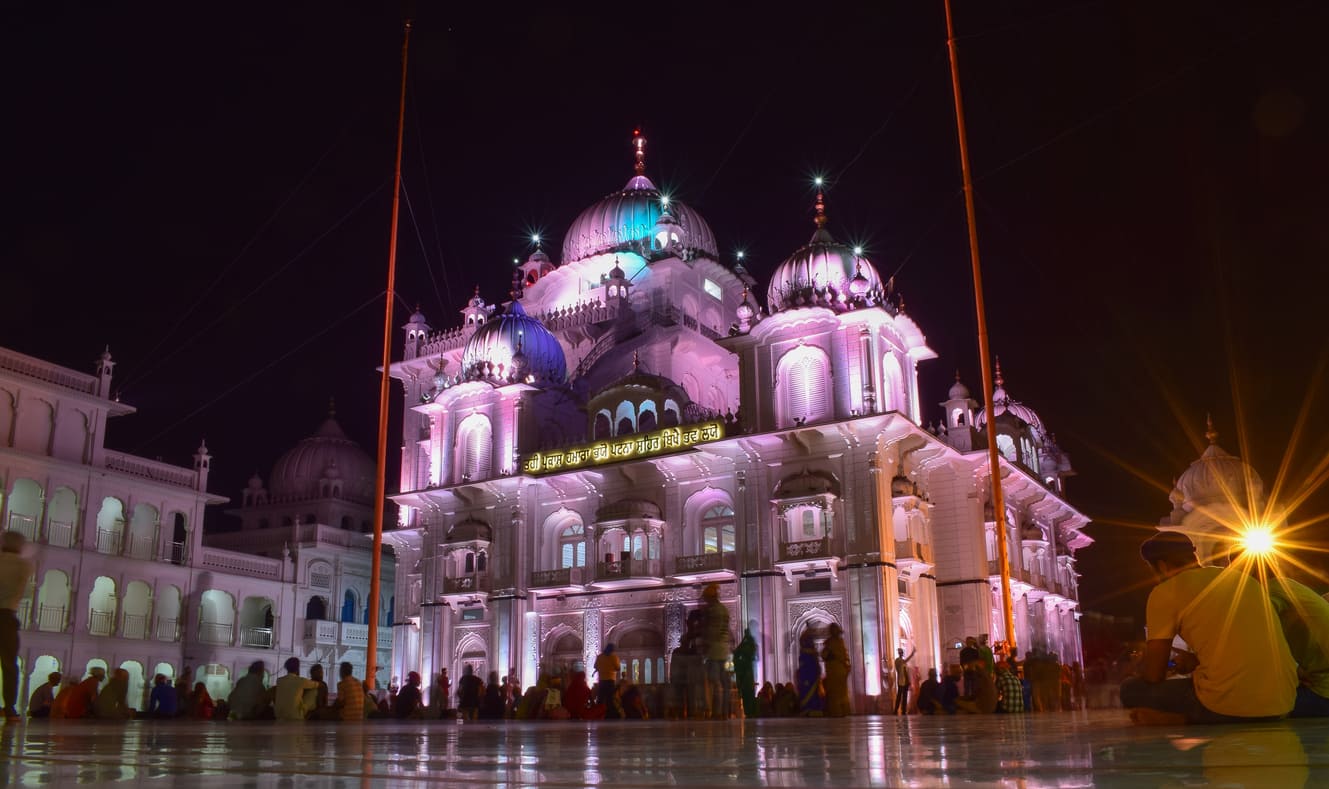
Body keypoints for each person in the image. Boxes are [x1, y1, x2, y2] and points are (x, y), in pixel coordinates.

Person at [1119, 531, 1297, 724]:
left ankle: (1184, 719)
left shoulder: (1165, 591)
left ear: (1161, 566)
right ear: (1193, 556)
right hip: (1283, 702)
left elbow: (1154, 675)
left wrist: (1141, 668)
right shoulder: (1242, 580)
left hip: (1231, 706)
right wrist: (1196, 660)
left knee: (1131, 690)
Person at [1262, 574, 1329, 717]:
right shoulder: (1288, 586)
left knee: (1257, 707)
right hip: (1320, 684)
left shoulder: (1268, 592)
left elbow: (1259, 638)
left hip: (1323, 693)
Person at [0, 531, 34, 722]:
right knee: (9, 664)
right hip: (6, 616)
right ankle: (9, 707)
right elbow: (27, 593)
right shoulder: (24, 565)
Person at [701, 583, 732, 720]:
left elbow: (712, 632)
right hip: (725, 651)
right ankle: (725, 712)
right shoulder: (724, 609)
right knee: (726, 683)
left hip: (714, 652)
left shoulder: (713, 611)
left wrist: (704, 647)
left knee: (715, 682)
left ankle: (717, 712)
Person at [822, 623, 851, 717]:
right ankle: (839, 712)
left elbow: (825, 655)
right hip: (836, 670)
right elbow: (825, 655)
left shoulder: (834, 642)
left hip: (837, 670)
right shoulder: (833, 642)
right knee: (837, 693)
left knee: (837, 693)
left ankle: (838, 712)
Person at [274, 657, 318, 721]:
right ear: (297, 668)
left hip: (279, 714)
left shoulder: (279, 680)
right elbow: (316, 685)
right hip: (295, 715)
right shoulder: (300, 680)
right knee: (314, 690)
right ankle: (310, 712)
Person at [796, 626, 824, 716]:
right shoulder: (805, 655)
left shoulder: (810, 654)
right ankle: (808, 709)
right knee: (808, 692)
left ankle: (812, 709)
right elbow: (803, 668)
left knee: (813, 693)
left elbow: (813, 665)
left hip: (812, 677)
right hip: (807, 678)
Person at [732, 627, 759, 718]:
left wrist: (745, 640)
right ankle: (749, 712)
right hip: (744, 676)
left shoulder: (749, 646)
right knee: (747, 695)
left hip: (746, 676)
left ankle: (750, 712)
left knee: (748, 695)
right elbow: (736, 653)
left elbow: (737, 652)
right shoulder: (746, 645)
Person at [594, 644, 621, 717]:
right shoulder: (614, 657)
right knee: (610, 699)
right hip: (610, 680)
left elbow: (595, 666)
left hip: (602, 680)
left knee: (600, 698)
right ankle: (610, 715)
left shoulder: (600, 657)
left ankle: (598, 714)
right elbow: (618, 668)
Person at [893, 646, 916, 714]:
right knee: (899, 696)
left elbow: (906, 672)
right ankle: (896, 710)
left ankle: (904, 710)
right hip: (901, 681)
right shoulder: (898, 660)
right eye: (900, 652)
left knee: (905, 696)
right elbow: (904, 661)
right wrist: (912, 654)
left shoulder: (903, 662)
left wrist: (908, 680)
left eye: (902, 652)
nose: (901, 654)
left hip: (905, 681)